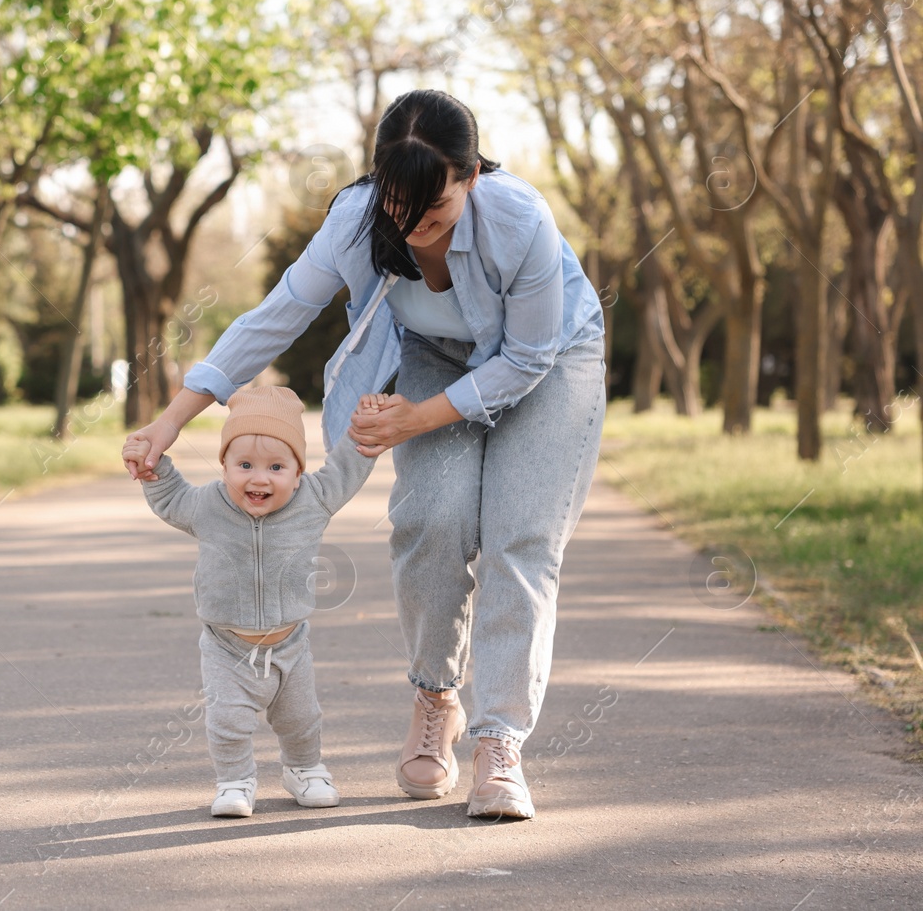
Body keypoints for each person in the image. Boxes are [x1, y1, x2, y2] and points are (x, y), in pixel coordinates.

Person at [123, 90, 606, 820]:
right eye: (398, 213)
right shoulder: (354, 221)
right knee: (431, 520)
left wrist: (418, 418)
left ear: (471, 176)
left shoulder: (519, 217)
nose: (414, 233)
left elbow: (527, 355)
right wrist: (170, 421)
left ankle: (499, 740)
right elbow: (275, 317)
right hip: (435, 357)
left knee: (521, 536)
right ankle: (435, 696)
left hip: (549, 361)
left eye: (435, 216)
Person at [124, 385, 381, 818]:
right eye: (244, 464)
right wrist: (152, 466)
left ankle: (304, 769)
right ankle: (235, 780)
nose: (259, 478)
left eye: (277, 467)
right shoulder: (207, 504)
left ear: (298, 472)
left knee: (301, 720)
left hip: (290, 646)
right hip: (228, 646)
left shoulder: (314, 499)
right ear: (223, 465)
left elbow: (349, 465)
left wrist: (367, 427)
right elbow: (169, 498)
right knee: (227, 721)